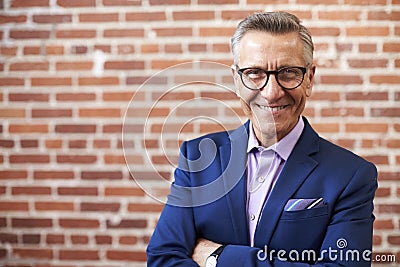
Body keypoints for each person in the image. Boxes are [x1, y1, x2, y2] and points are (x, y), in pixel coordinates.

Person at [146, 11, 377, 266]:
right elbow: (162, 258)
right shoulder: (198, 156)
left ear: (309, 79)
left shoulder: (351, 175)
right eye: (254, 73)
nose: (271, 93)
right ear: (236, 80)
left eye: (288, 72)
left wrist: (219, 257)